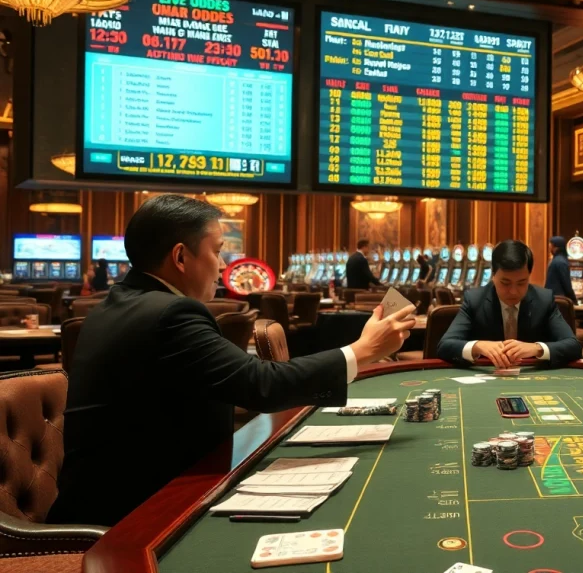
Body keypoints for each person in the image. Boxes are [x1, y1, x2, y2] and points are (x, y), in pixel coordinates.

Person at [49, 195, 416, 526]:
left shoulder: (118, 304)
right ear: (180, 257)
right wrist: (363, 350)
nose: (224, 263)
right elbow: (260, 385)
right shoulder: (170, 313)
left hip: (128, 490)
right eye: (217, 250)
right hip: (131, 514)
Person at [438, 239, 582, 369]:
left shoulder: (543, 300)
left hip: (532, 380)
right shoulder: (475, 300)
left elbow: (573, 346)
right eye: (505, 283)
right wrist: (477, 346)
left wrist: (537, 348)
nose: (513, 291)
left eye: (521, 283)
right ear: (493, 275)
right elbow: (445, 345)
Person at [544, 236, 577, 303]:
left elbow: (565, 283)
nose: (550, 249)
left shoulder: (558, 261)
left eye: (551, 247)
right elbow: (567, 285)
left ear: (556, 248)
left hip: (555, 299)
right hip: (559, 300)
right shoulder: (561, 261)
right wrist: (574, 300)